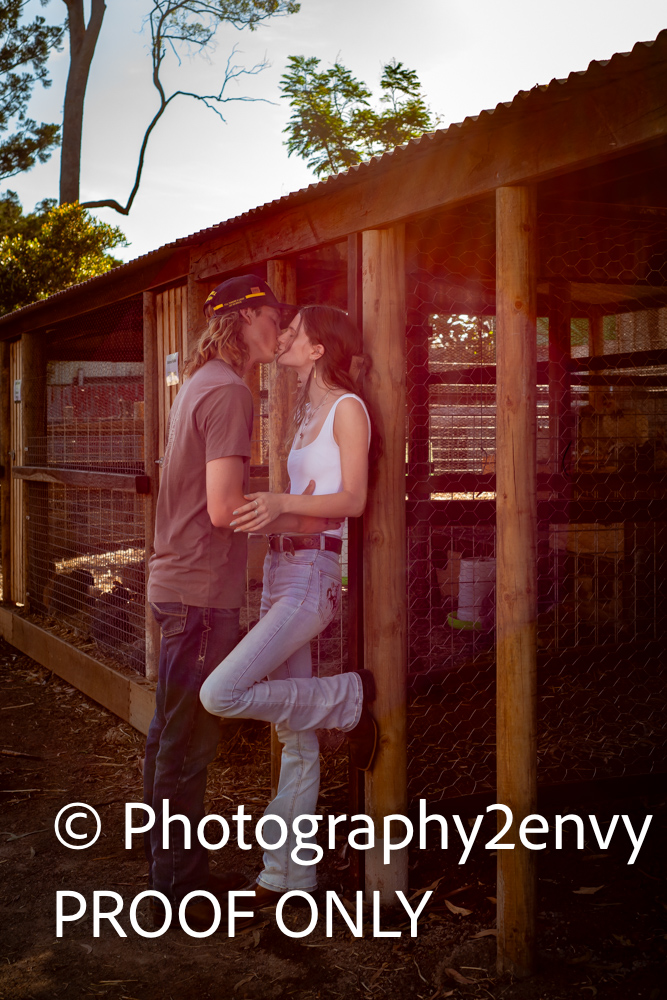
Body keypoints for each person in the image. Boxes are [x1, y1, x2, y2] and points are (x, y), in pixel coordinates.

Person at [143, 276, 341, 925]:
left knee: (169, 735)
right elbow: (225, 509)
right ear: (245, 317)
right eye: (272, 317)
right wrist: (300, 518)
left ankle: (167, 871)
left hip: (177, 584)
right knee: (188, 742)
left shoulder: (201, 382)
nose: (279, 329)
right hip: (199, 592)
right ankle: (180, 887)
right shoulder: (229, 391)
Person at [199, 304, 378, 910]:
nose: (283, 338)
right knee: (297, 739)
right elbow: (299, 500)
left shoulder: (348, 409)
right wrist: (267, 515)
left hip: (314, 574)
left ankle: (347, 697)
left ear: (319, 348)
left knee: (221, 693)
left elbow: (352, 500)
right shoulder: (302, 412)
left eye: (295, 332)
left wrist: (279, 503)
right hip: (281, 568)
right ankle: (288, 874)